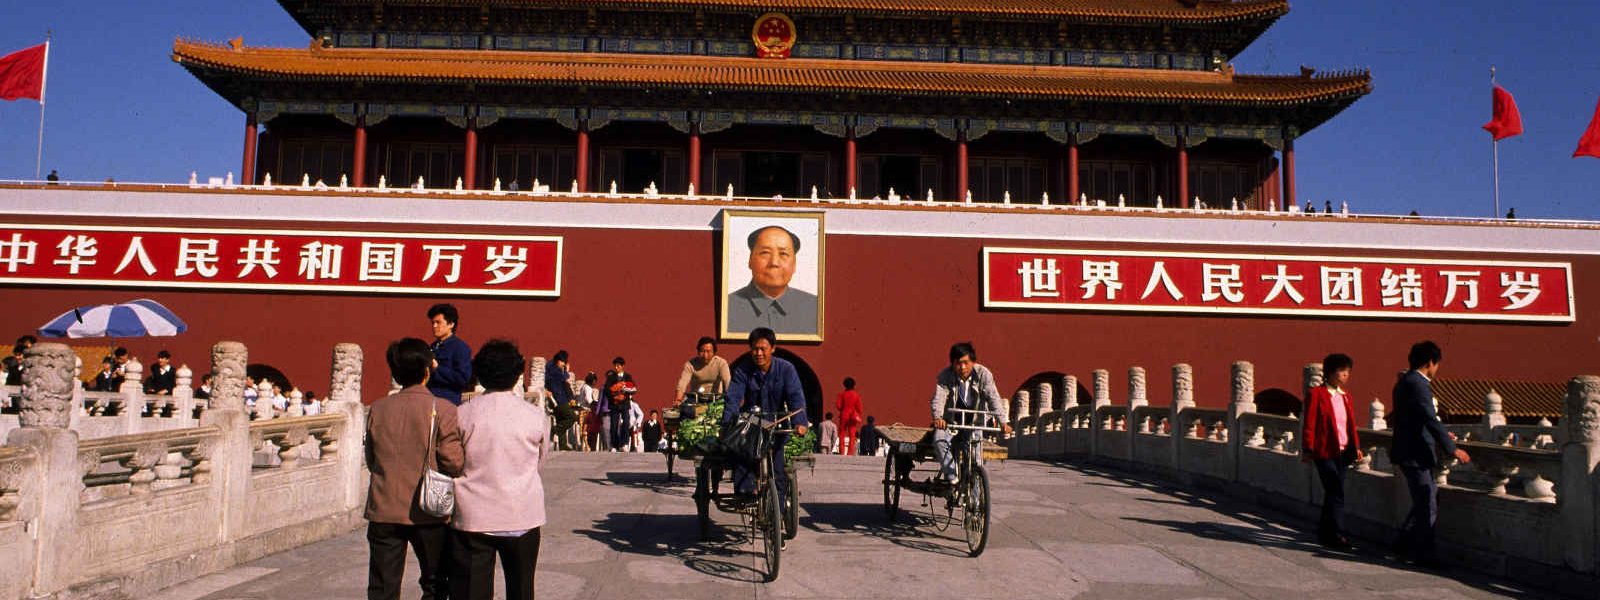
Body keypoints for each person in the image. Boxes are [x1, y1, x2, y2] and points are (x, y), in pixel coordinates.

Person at [450, 339, 551, 600]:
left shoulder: (462, 414)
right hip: (522, 515)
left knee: (472, 592)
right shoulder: (535, 416)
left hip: (474, 516)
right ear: (519, 374)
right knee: (521, 590)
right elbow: (540, 462)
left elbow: (453, 462)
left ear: (480, 374)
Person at [364, 338, 464, 600]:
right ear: (427, 371)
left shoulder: (378, 408)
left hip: (384, 507)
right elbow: (452, 462)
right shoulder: (442, 409)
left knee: (382, 586)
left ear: (395, 373)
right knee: (435, 583)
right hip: (428, 511)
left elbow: (371, 459)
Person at [1389, 341, 1471, 568]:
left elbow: (1415, 419)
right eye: (1437, 364)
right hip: (1416, 453)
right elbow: (1428, 417)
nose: (1437, 369)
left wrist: (1442, 434)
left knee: (1424, 501)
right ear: (1430, 362)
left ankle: (1402, 545)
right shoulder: (1419, 383)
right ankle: (1425, 554)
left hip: (1408, 450)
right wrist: (1452, 448)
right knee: (1427, 503)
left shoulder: (1404, 382)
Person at [723, 327, 810, 525]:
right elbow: (733, 398)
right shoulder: (743, 370)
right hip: (751, 424)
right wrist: (728, 422)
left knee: (778, 471)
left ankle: (776, 519)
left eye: (763, 349)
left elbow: (796, 397)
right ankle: (747, 494)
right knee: (742, 457)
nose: (759, 353)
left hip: (776, 424)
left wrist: (800, 423)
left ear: (773, 348)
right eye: (755, 349)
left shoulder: (786, 369)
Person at [1302, 353, 1363, 550]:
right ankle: (1338, 535)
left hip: (1344, 452)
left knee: (1332, 493)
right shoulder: (1317, 394)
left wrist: (1357, 447)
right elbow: (1309, 423)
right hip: (1324, 451)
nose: (1346, 375)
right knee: (1336, 491)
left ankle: (1325, 533)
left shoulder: (1346, 397)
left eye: (1348, 371)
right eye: (1342, 370)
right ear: (1330, 372)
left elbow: (1349, 425)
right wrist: (1307, 448)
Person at [930, 342, 1012, 485]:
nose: (962, 367)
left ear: (973, 362)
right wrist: (938, 417)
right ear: (952, 364)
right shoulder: (945, 375)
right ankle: (951, 476)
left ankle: (976, 498)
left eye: (966, 363)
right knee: (939, 439)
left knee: (975, 459)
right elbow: (939, 397)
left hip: (974, 423)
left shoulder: (983, 374)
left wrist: (1003, 422)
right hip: (951, 422)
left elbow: (994, 398)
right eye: (958, 363)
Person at [726, 225, 819, 335]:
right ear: (750, 260)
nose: (774, 262)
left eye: (783, 254)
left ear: (794, 264)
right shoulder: (728, 307)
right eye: (765, 253)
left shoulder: (815, 308)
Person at [426, 304, 472, 405]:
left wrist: (437, 368)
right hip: (428, 401)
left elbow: (463, 379)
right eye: (433, 323)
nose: (434, 326)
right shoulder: (432, 347)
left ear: (451, 324)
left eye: (438, 322)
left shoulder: (460, 348)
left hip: (447, 403)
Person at [602, 358, 634, 451]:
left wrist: (624, 392)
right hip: (614, 404)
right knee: (614, 425)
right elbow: (607, 390)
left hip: (624, 403)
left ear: (623, 366)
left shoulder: (628, 377)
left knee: (626, 423)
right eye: (615, 366)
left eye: (618, 366)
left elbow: (633, 388)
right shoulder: (611, 377)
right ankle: (614, 445)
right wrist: (614, 397)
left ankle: (624, 443)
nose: (616, 367)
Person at [835, 377, 863, 455]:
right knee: (852, 434)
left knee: (842, 434)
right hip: (852, 416)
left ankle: (842, 451)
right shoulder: (856, 395)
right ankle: (850, 452)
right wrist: (857, 414)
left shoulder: (841, 394)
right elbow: (860, 408)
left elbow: (839, 406)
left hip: (844, 415)